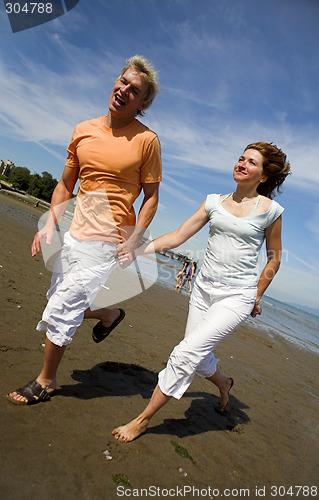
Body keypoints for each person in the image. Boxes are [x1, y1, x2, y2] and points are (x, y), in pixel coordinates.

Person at [7, 55, 162, 405]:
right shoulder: (84, 130)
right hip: (74, 232)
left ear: (142, 104)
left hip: (110, 239)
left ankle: (46, 381)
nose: (123, 90)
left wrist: (135, 239)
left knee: (61, 308)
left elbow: (151, 198)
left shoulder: (146, 141)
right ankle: (109, 314)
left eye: (133, 90)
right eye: (122, 82)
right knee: (57, 298)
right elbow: (65, 184)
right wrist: (49, 223)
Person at [112, 141, 291, 442]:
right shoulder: (213, 202)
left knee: (185, 353)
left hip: (237, 296)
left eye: (251, 162)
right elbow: (178, 236)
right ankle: (225, 383)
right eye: (240, 158)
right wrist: (137, 249)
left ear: (263, 177)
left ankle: (142, 420)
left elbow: (275, 257)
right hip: (203, 288)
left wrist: (257, 295)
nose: (242, 164)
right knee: (198, 354)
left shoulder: (271, 211)